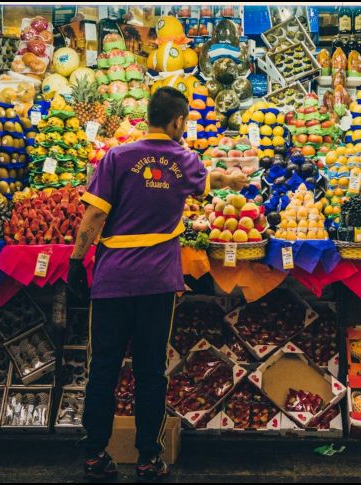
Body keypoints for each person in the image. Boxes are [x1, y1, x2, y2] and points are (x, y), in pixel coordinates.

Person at [68, 87, 248, 482]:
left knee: (103, 369)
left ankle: (95, 455)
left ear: (149, 116)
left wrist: (76, 262)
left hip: (113, 280)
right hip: (157, 283)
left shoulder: (116, 157)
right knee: (151, 371)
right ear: (178, 121)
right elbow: (213, 180)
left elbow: (93, 218)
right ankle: (148, 459)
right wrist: (234, 180)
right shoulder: (185, 160)